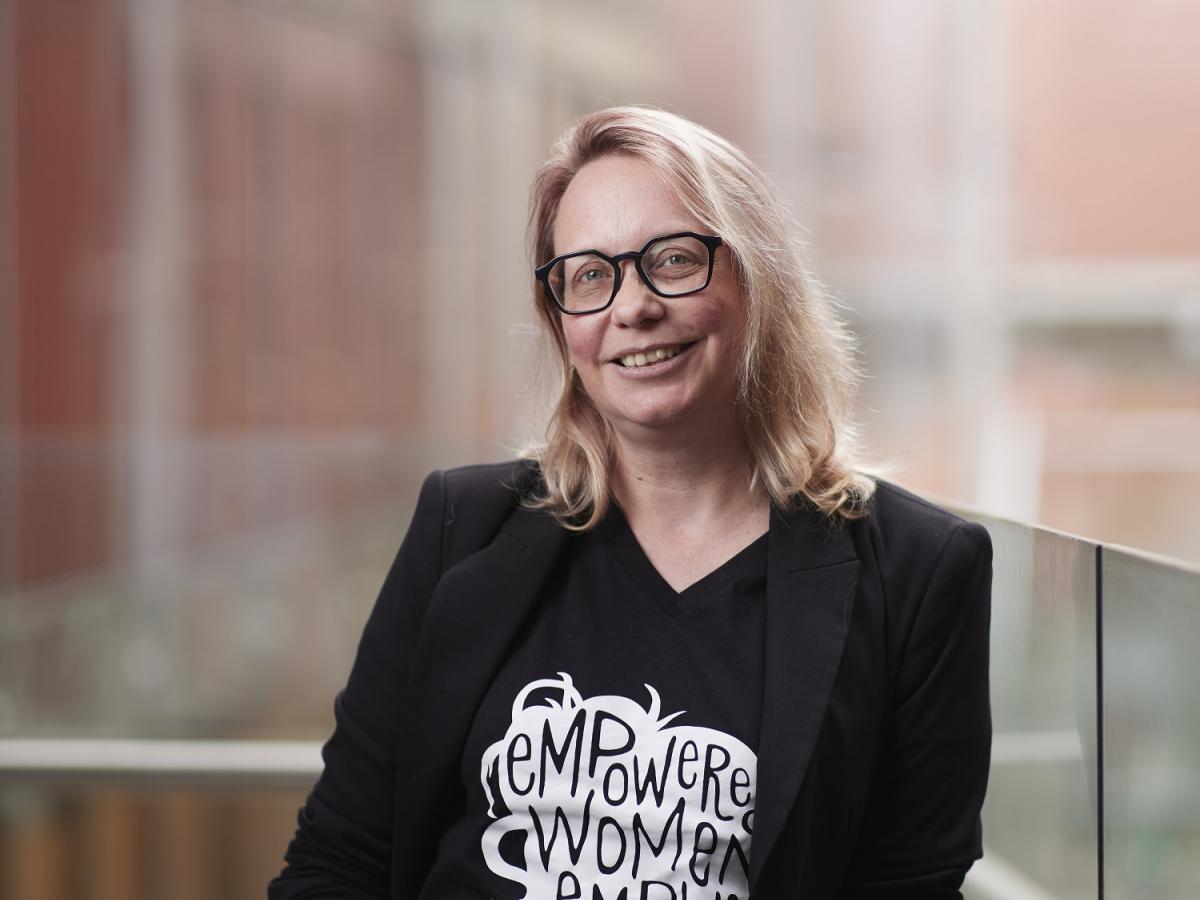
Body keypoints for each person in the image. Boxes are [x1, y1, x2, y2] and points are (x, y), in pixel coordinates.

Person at [269, 106, 993, 899]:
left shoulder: (919, 575)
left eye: (674, 260)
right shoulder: (460, 529)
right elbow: (339, 863)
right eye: (589, 275)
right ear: (562, 323)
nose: (631, 306)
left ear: (756, 279)